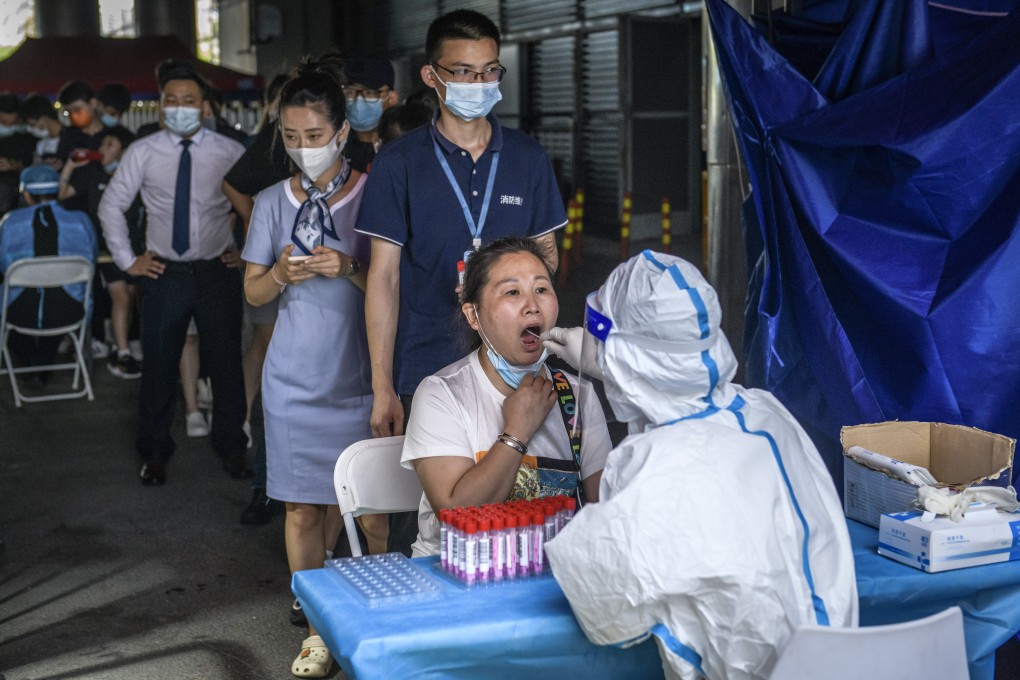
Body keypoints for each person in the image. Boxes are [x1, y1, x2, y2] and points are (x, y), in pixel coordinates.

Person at [542, 251, 858, 680]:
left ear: (626, 357)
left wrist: (611, 368)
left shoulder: (653, 467)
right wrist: (613, 362)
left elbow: (604, 611)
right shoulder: (766, 413)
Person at [356, 9, 567, 553]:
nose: (480, 85)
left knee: (526, 500)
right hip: (426, 359)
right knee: (421, 517)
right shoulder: (399, 164)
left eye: (490, 72)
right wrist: (384, 386)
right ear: (432, 77)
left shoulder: (525, 157)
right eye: (464, 72)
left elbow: (547, 260)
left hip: (514, 363)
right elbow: (382, 278)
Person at [240, 54, 372, 679]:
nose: (303, 148)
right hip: (292, 379)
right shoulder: (270, 201)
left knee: (369, 512)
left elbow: (393, 284)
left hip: (360, 376)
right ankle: (319, 631)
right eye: (291, 138)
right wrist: (279, 273)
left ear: (342, 132)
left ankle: (368, 619)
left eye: (314, 137)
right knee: (301, 510)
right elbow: (253, 294)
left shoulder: (376, 193)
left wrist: (347, 266)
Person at [401, 237, 609, 557]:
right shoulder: (441, 394)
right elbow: (457, 516)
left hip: (552, 575)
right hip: (458, 579)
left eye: (541, 289)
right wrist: (517, 432)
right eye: (512, 292)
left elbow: (604, 513)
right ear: (473, 315)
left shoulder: (576, 395)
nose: (532, 304)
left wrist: (612, 368)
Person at [98, 59, 248, 486]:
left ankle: (232, 447)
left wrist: (248, 251)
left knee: (225, 364)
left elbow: (258, 207)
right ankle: (155, 452)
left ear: (204, 108)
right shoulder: (143, 152)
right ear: (161, 107)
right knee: (159, 366)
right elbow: (111, 205)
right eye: (172, 101)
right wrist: (129, 261)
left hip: (217, 268)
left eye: (190, 101)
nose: (180, 107)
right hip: (164, 271)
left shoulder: (229, 151)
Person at [58, 125, 142, 377]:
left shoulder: (137, 177)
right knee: (121, 296)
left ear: (125, 151)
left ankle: (121, 342)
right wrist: (71, 166)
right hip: (105, 250)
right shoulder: (93, 175)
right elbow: (62, 194)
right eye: (102, 144)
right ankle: (123, 352)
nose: (102, 149)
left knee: (132, 295)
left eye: (110, 144)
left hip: (137, 250)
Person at [0, 165, 97, 374]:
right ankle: (44, 360)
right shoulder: (81, 221)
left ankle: (31, 364)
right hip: (71, 311)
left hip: (17, 311)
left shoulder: (10, 223)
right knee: (60, 299)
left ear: (26, 193)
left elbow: (3, 265)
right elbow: (92, 260)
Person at [342, 55, 399, 167]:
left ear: (392, 98)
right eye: (351, 91)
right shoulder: (335, 147)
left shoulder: (401, 143)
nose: (358, 101)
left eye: (370, 93)